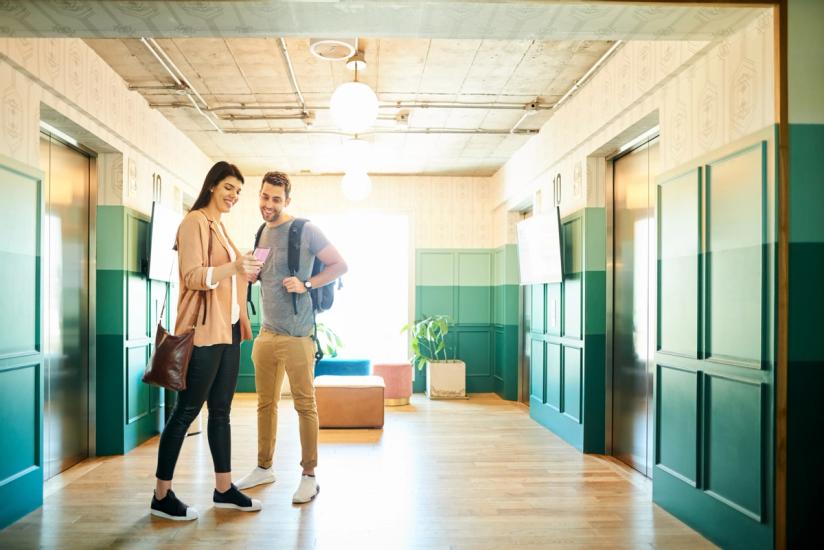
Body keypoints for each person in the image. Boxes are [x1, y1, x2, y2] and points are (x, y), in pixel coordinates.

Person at [150, 161, 263, 521]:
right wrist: (233, 267)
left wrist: (246, 269)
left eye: (238, 192)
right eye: (229, 187)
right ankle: (161, 495)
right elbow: (193, 275)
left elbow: (228, 278)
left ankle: (224, 489)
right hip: (204, 332)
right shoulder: (194, 222)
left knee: (222, 412)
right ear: (213, 185)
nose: (234, 196)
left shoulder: (219, 227)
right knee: (185, 412)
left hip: (228, 332)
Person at [236, 171, 347, 503]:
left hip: (298, 336)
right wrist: (250, 272)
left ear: (287, 201)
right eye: (264, 197)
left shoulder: (305, 230)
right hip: (266, 333)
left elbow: (340, 265)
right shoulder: (261, 232)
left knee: (304, 406)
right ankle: (263, 466)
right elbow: (259, 272)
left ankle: (309, 475)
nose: (268, 205)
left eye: (276, 199)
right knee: (265, 404)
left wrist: (307, 284)